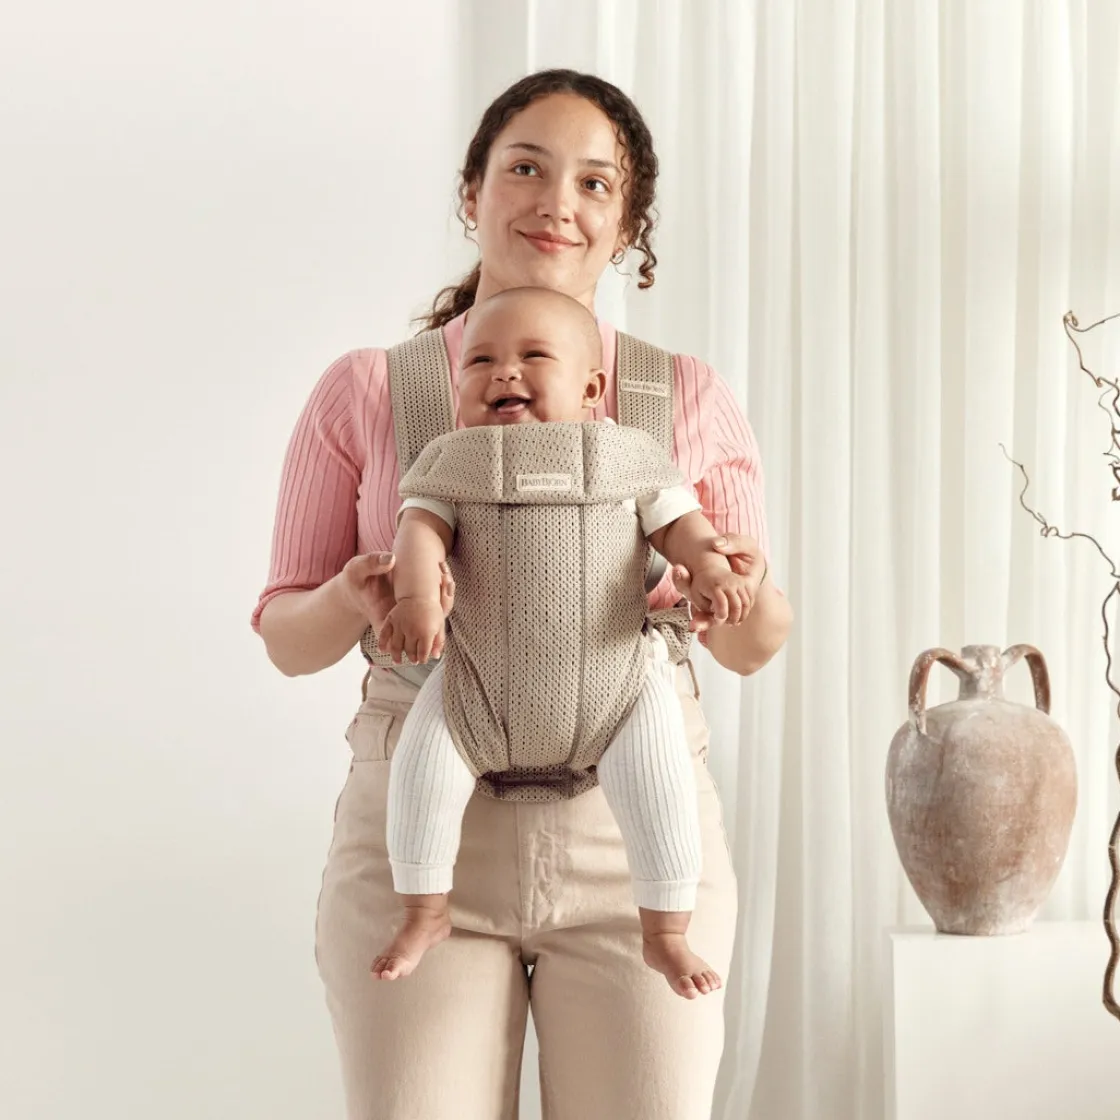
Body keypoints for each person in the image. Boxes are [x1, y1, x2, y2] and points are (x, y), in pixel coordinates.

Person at [253, 69, 792, 1120]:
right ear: (473, 192)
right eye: (527, 169)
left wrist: (739, 586)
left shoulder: (680, 395)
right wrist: (355, 596)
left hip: (634, 836)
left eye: (595, 183)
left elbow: (751, 643)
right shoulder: (369, 390)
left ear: (628, 224)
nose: (558, 203)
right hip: (421, 832)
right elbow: (285, 637)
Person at [371, 285, 753, 998]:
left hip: (618, 688)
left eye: (533, 356)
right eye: (479, 361)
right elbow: (418, 533)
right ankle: (424, 910)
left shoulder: (630, 455)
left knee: (661, 783)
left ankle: (666, 929)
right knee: (421, 772)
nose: (503, 372)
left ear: (592, 389)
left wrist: (708, 568)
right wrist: (417, 599)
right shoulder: (450, 460)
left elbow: (682, 527)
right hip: (475, 688)